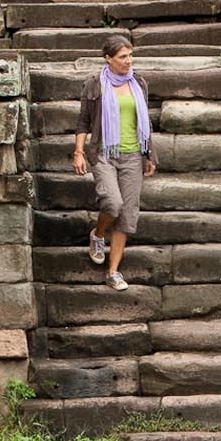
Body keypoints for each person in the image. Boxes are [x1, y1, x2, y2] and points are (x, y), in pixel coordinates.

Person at [73, 35, 156, 292]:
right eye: (123, 57)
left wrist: (150, 154)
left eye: (130, 56)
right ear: (108, 59)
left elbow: (145, 121)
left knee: (127, 215)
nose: (128, 61)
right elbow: (83, 122)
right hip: (104, 152)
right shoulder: (94, 85)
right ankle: (98, 235)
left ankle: (113, 272)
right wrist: (78, 152)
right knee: (113, 203)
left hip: (133, 154)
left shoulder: (138, 83)